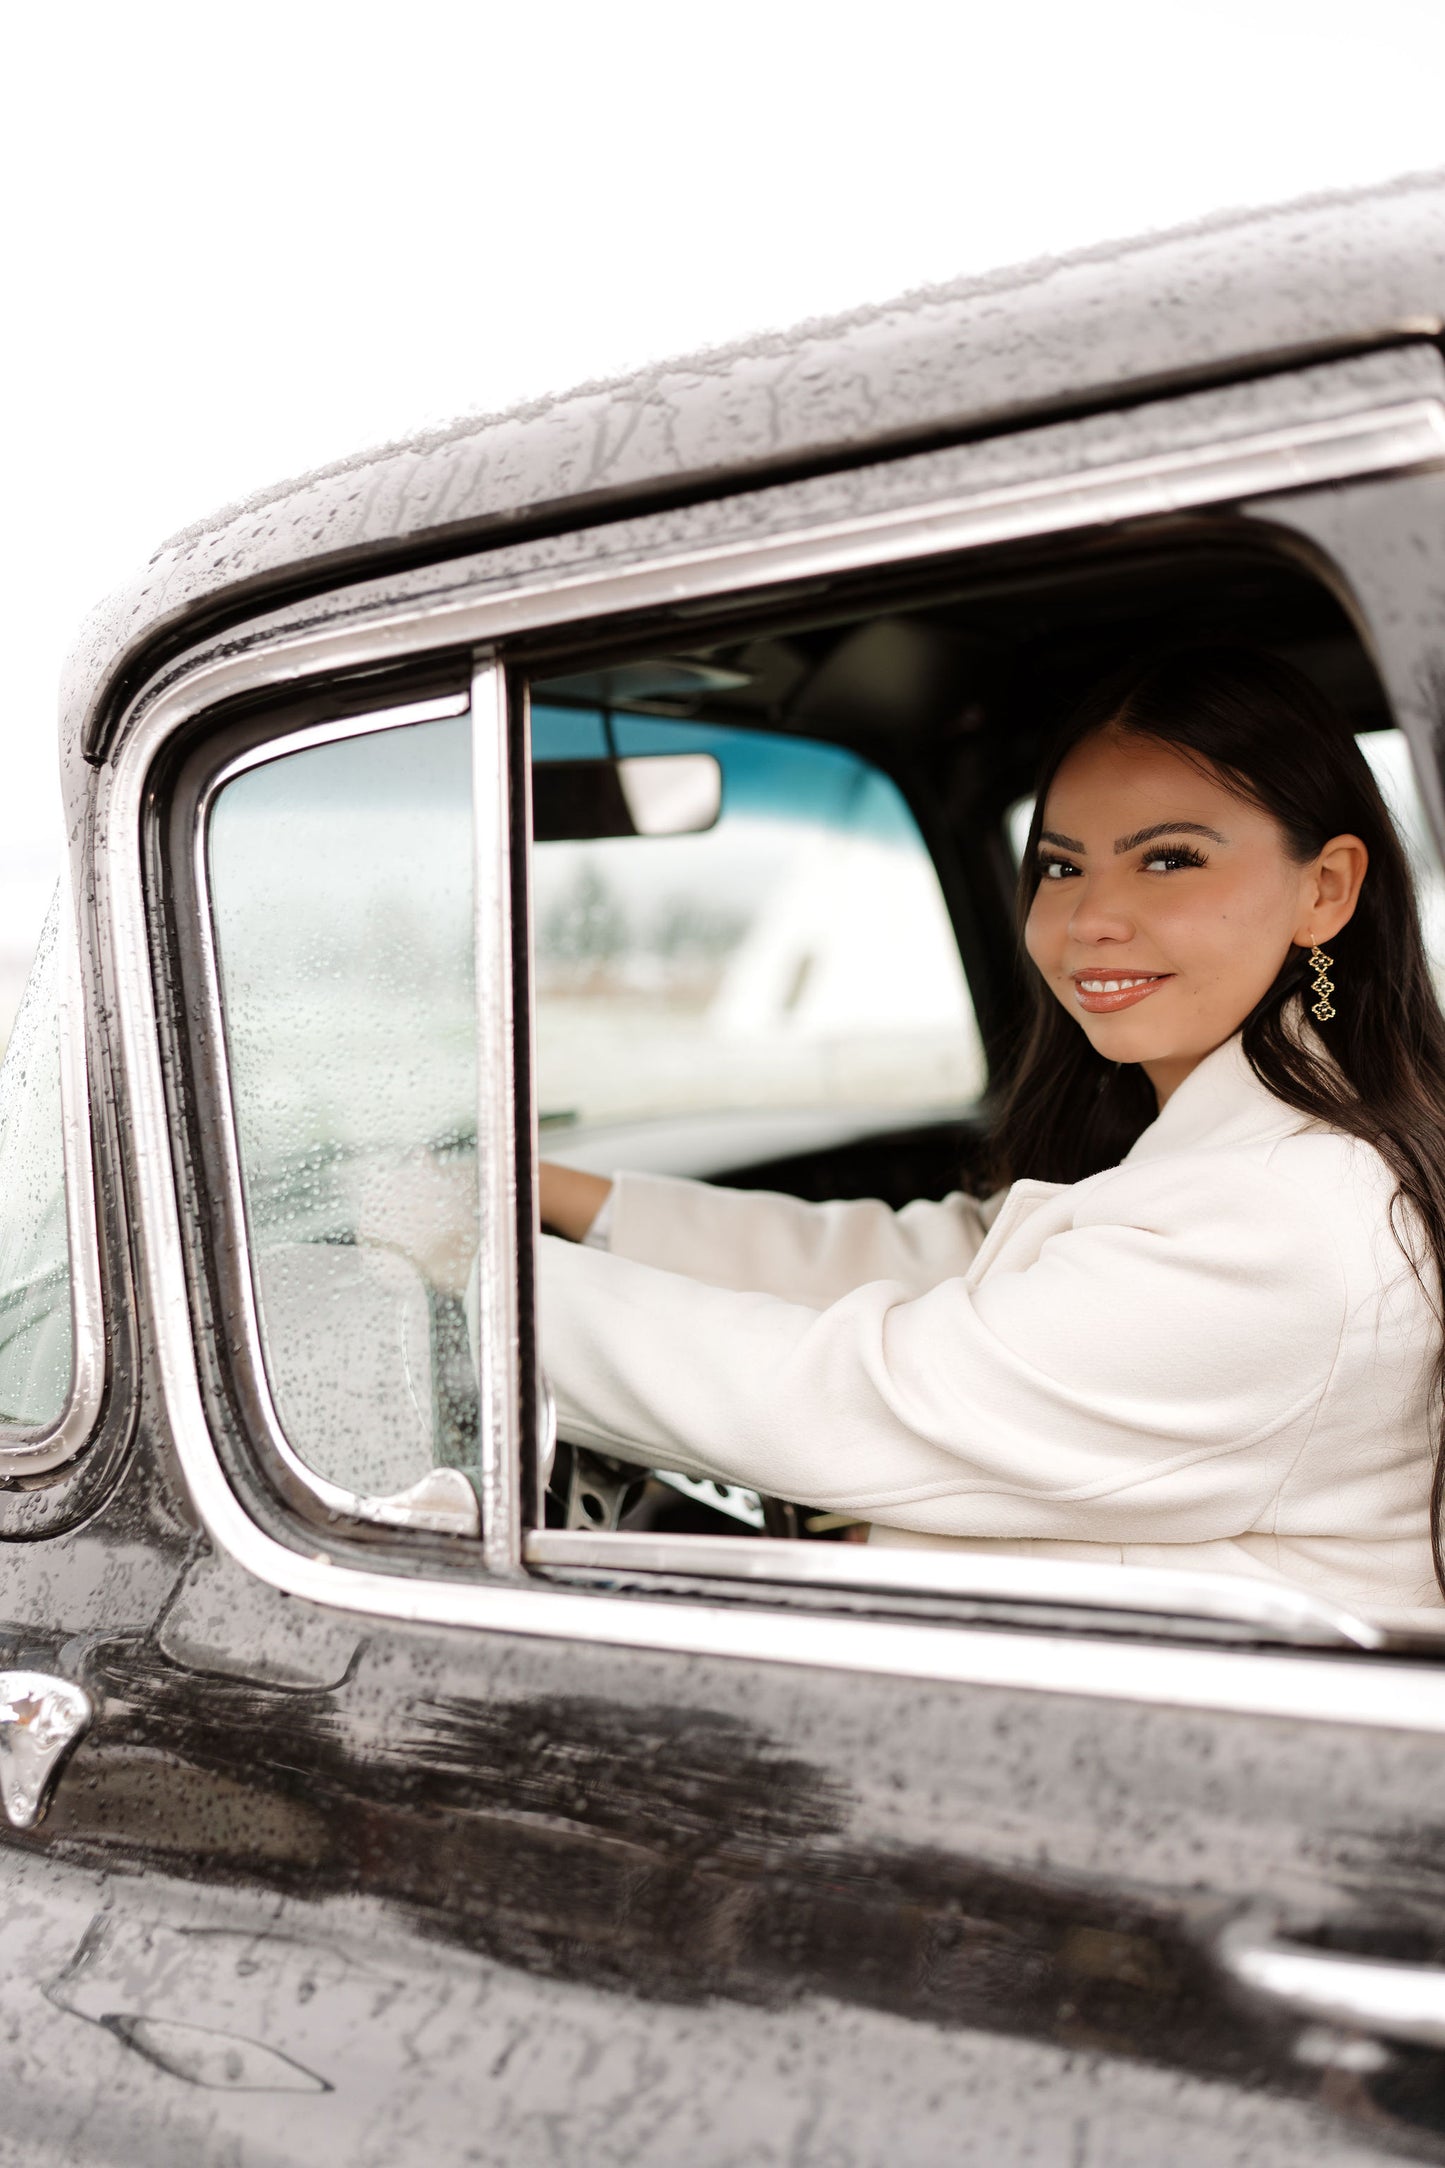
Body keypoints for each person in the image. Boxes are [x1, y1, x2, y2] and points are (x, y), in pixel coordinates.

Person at [537, 646, 1445, 1628]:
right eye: (1060, 866)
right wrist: (553, 1196)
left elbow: (861, 1401)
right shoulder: (1266, 1141)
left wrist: (488, 1298)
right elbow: (954, 1261)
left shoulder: (1284, 1217)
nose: (1090, 917)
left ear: (1325, 888)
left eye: (1167, 858)